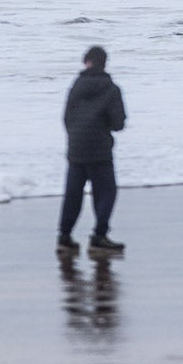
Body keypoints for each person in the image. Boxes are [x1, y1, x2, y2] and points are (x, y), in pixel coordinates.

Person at [57, 46, 128, 257]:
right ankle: (99, 237)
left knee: (72, 195)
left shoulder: (76, 86)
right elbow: (118, 123)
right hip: (100, 151)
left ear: (86, 62)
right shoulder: (111, 88)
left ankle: (64, 237)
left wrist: (74, 137)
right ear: (104, 63)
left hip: (76, 149)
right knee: (106, 192)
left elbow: (66, 117)